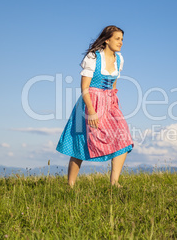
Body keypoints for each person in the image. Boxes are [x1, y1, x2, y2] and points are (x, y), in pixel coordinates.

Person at [56, 25, 134, 188]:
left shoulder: (119, 59)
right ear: (107, 40)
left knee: (123, 137)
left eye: (122, 39)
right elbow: (85, 87)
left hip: (110, 103)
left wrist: (114, 103)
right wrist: (90, 111)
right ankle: (70, 186)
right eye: (117, 39)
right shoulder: (93, 57)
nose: (120, 42)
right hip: (90, 102)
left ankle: (114, 183)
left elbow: (113, 85)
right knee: (81, 143)